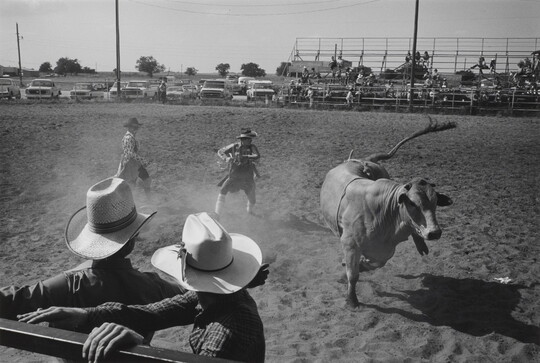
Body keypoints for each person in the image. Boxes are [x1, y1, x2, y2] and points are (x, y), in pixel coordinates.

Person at [18, 212, 267, 362]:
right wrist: (86, 314)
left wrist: (143, 349)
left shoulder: (226, 331)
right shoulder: (210, 299)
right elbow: (151, 312)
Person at [0, 177, 185, 334]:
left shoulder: (70, 284)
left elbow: (16, 300)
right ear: (132, 238)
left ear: (91, 240)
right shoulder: (154, 287)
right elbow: (190, 296)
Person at [215, 128, 260, 216]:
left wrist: (248, 157)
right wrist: (226, 158)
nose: (250, 140)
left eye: (250, 139)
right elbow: (220, 151)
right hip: (234, 175)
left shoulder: (252, 147)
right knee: (223, 190)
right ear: (243, 139)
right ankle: (217, 213)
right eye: (248, 139)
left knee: (252, 199)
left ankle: (249, 211)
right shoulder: (234, 146)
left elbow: (257, 156)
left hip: (247, 177)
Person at [115, 117, 152, 198]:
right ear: (129, 127)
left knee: (145, 179)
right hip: (130, 164)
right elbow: (130, 153)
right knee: (133, 185)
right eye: (134, 127)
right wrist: (143, 160)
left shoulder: (131, 137)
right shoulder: (129, 138)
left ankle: (149, 201)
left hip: (134, 164)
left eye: (136, 127)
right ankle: (147, 201)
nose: (136, 129)